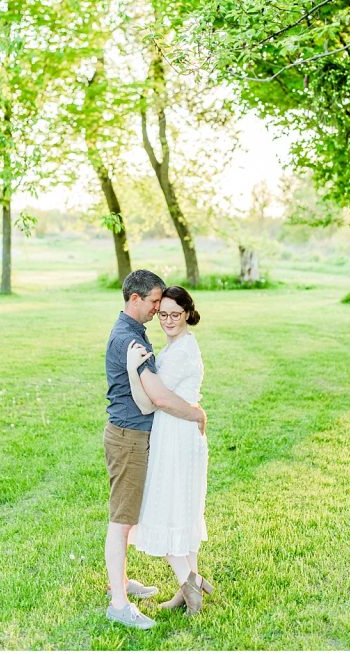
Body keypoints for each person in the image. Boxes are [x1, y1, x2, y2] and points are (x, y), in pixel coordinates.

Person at [103, 270, 207, 630]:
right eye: (155, 305)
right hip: (130, 434)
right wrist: (196, 412)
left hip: (155, 436)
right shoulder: (128, 340)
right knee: (123, 520)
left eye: (168, 310)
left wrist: (192, 412)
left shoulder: (138, 334)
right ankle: (119, 600)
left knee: (134, 516)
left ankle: (130, 583)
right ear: (136, 300)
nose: (159, 314)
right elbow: (155, 399)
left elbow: (159, 395)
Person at [126, 285, 214, 615]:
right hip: (176, 432)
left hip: (177, 436)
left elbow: (154, 401)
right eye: (162, 314)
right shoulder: (176, 346)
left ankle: (192, 587)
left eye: (175, 314)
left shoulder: (183, 350)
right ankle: (189, 584)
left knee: (164, 509)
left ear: (188, 314)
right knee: (178, 509)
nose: (168, 321)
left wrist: (135, 371)